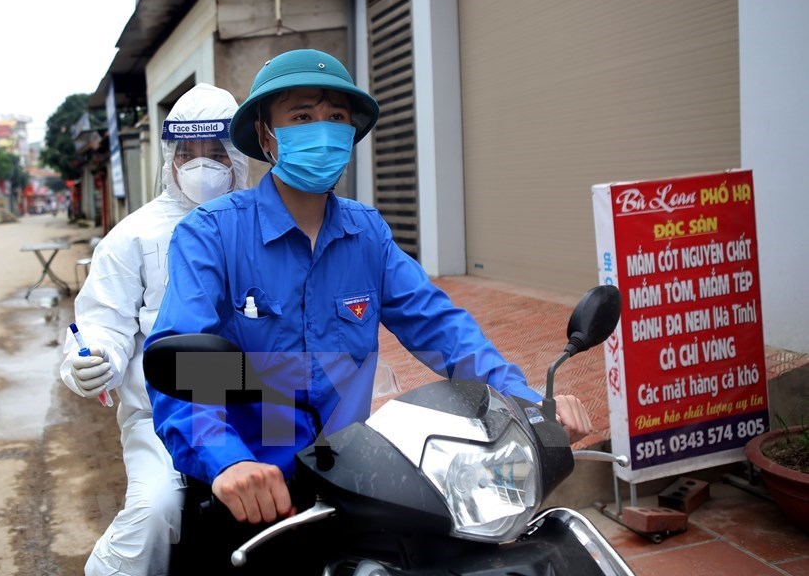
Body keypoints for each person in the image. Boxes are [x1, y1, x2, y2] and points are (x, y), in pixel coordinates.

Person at [145, 49, 592, 530]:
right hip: (249, 488)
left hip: (347, 477)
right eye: (301, 116)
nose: (322, 129)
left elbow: (441, 328)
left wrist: (526, 401)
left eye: (335, 117)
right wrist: (227, 460)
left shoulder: (367, 235)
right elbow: (182, 362)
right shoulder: (211, 234)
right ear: (265, 135)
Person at [59, 83, 249, 576]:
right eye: (189, 153)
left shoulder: (263, 226)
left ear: (238, 156)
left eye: (215, 152)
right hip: (163, 415)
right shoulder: (134, 236)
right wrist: (94, 357)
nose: (202, 166)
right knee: (156, 512)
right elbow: (104, 319)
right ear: (171, 158)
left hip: (260, 409)